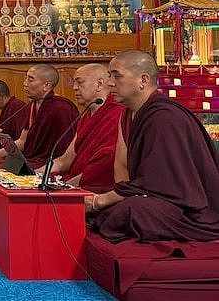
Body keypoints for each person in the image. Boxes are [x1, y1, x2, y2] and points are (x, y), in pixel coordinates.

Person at [87, 50, 219, 242]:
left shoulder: (165, 117)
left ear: (143, 79)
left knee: (130, 211)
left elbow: (159, 182)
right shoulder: (128, 114)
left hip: (189, 208)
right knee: (117, 209)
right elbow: (123, 169)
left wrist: (101, 201)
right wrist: (109, 198)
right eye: (109, 76)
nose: (109, 83)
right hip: (154, 195)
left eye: (117, 76)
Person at [40, 63, 125, 193]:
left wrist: (64, 189)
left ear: (99, 84)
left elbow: (102, 168)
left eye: (79, 83)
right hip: (74, 182)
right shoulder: (87, 115)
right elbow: (66, 159)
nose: (74, 88)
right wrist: (36, 175)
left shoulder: (117, 114)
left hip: (95, 189)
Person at [0, 64, 78, 168]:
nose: (25, 84)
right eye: (26, 78)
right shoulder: (32, 105)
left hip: (49, 164)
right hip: (31, 160)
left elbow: (65, 149)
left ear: (46, 85)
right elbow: (22, 141)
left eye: (30, 80)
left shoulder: (61, 108)